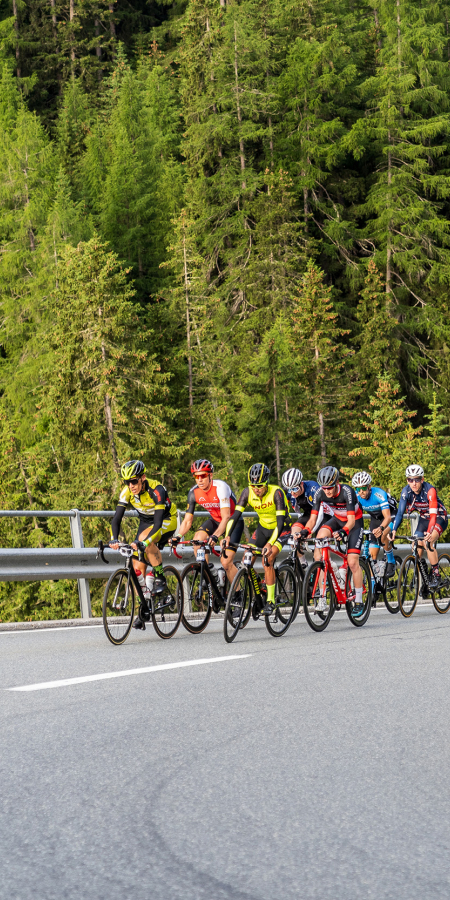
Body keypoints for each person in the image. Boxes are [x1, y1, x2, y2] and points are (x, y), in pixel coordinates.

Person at [110, 460, 177, 629]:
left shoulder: (157, 490)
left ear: (143, 478)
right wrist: (114, 539)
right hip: (145, 522)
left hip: (166, 520)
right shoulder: (127, 492)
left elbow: (157, 524)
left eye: (133, 481)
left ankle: (160, 576)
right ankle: (144, 608)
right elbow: (116, 518)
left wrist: (145, 542)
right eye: (127, 482)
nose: (130, 485)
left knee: (146, 543)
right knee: (136, 568)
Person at [223, 463, 292, 615]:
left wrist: (270, 544)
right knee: (246, 560)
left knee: (267, 558)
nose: (256, 489)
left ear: (266, 482)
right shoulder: (248, 492)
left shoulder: (277, 493)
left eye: (259, 485)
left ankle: (271, 601)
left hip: (281, 529)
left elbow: (280, 523)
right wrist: (227, 535)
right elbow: (235, 516)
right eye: (253, 485)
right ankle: (260, 587)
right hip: (262, 528)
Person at [300, 465, 365, 614]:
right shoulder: (319, 493)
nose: (327, 491)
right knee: (320, 538)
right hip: (337, 520)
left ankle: (359, 600)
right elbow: (313, 519)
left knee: (353, 561)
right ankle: (326, 583)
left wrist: (343, 532)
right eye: (324, 488)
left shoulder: (347, 492)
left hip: (353, 522)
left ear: (336, 483)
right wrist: (305, 531)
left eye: (330, 487)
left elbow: (351, 521)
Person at [173, 459, 244, 587]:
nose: (199, 479)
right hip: (215, 520)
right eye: (196, 476)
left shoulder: (220, 488)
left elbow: (226, 517)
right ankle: (209, 575)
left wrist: (215, 536)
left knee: (226, 562)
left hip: (232, 522)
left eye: (203, 475)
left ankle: (238, 594)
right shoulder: (194, 492)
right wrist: (178, 536)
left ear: (210, 475)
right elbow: (188, 520)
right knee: (197, 540)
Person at [391, 464, 448, 591]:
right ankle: (425, 578)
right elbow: (400, 514)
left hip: (438, 517)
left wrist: (429, 532)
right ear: (407, 481)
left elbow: (433, 516)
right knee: (416, 546)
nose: (414, 483)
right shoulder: (406, 492)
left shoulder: (430, 490)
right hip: (424, 518)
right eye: (410, 480)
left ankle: (436, 574)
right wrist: (394, 530)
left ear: (422, 479)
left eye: (417, 479)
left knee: (428, 542)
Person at [351, 471, 396, 578]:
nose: (361, 492)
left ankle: (391, 561)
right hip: (375, 518)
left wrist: (381, 528)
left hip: (391, 516)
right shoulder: (356, 497)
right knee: (372, 557)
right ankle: (373, 586)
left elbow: (387, 517)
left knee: (383, 534)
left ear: (369, 487)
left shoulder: (379, 495)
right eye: (358, 489)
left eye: (363, 488)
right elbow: (353, 516)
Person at [282, 467, 321, 568]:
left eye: (295, 489)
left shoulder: (313, 488)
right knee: (293, 536)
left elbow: (320, 514)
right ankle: (303, 564)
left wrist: (310, 530)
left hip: (322, 515)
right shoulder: (290, 492)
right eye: (289, 489)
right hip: (308, 515)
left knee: (318, 557)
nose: (292, 493)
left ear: (301, 484)